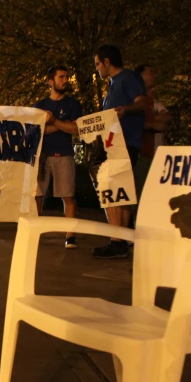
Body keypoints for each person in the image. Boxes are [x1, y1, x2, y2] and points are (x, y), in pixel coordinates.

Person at [92, 44, 147, 259]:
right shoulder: (113, 85)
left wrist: (126, 109)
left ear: (107, 62)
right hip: (114, 143)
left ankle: (117, 240)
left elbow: (142, 103)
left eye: (97, 63)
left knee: (111, 187)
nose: (97, 68)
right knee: (120, 189)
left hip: (123, 144)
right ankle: (122, 239)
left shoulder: (128, 79)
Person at [32, 66, 82, 249]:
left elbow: (76, 129)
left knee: (68, 195)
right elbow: (36, 131)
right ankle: (35, 231)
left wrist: (52, 122)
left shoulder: (73, 104)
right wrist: (62, 124)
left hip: (65, 154)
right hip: (42, 156)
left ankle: (71, 235)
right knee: (37, 196)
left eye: (67, 77)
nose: (65, 80)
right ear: (51, 81)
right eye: (61, 77)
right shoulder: (39, 106)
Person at [135, 64, 171, 200]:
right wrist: (153, 124)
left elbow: (167, 116)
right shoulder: (137, 100)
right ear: (141, 77)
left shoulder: (152, 102)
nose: (154, 75)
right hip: (141, 153)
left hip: (151, 154)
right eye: (151, 72)